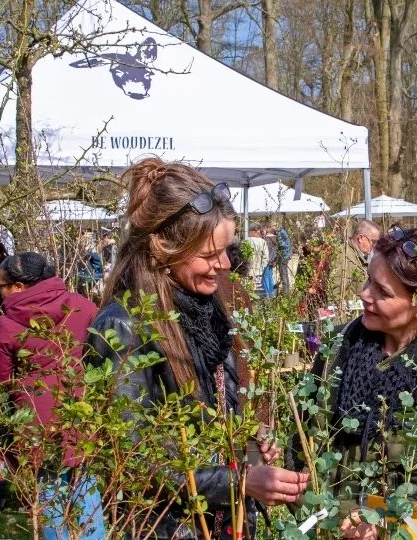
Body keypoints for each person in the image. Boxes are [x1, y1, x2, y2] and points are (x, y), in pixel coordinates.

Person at [86, 158, 309, 538]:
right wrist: (239, 482)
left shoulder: (211, 312)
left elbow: (216, 412)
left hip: (224, 524)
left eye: (225, 250)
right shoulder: (123, 327)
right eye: (207, 255)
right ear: (162, 248)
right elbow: (131, 463)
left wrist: (248, 445)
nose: (223, 264)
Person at [305, 227, 417, 534]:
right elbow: (302, 445)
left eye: (383, 292)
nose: (364, 294)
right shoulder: (338, 348)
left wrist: (384, 522)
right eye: (368, 281)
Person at [0, 252, 103, 539]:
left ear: (19, 287)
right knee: (85, 484)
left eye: (0, 286)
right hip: (81, 411)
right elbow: (101, 356)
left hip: (37, 422)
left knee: (50, 491)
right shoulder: (83, 307)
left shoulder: (7, 326)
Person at [329, 220, 380, 317]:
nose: (374, 246)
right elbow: (336, 296)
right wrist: (342, 323)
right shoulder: (345, 257)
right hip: (347, 318)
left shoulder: (355, 256)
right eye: (373, 241)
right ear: (360, 238)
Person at [76, 233, 104, 300]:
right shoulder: (93, 252)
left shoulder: (90, 253)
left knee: (80, 284)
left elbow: (84, 260)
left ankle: (83, 297)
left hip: (94, 274)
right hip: (95, 274)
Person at [246, 223, 270, 296]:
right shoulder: (262, 241)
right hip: (258, 271)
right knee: (256, 292)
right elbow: (266, 257)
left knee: (247, 291)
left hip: (246, 270)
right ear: (257, 230)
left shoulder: (246, 240)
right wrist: (262, 267)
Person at [276, 223, 293, 294]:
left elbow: (281, 244)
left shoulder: (280, 233)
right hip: (286, 255)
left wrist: (276, 244)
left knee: (283, 273)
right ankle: (286, 290)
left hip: (284, 256)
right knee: (284, 273)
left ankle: (285, 291)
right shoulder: (283, 232)